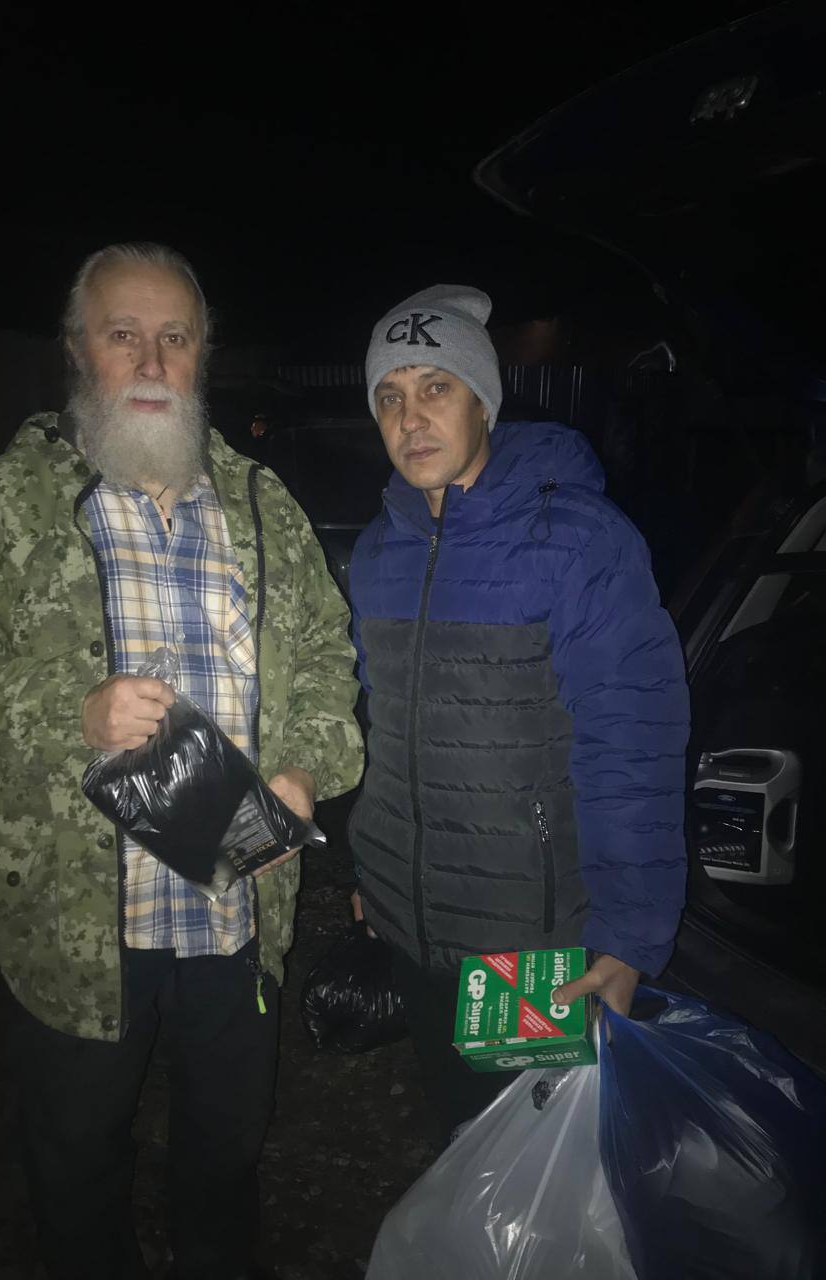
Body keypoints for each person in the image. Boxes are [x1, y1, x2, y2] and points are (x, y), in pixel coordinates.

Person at [0, 242, 364, 1280]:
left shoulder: (263, 506)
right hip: (75, 928)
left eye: (174, 337)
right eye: (123, 334)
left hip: (238, 906)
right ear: (77, 350)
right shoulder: (1, 505)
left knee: (226, 1154)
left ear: (202, 356)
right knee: (76, 1165)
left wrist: (302, 772)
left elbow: (330, 659)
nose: (151, 360)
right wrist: (70, 712)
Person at [348, 285, 690, 1141]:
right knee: (456, 1144)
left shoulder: (575, 540)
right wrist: (376, 868)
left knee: (526, 1158)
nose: (410, 418)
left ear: (483, 401)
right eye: (389, 396)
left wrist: (628, 934)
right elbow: (386, 729)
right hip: (411, 925)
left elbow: (631, 739)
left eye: (436, 387)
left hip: (527, 941)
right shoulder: (379, 550)